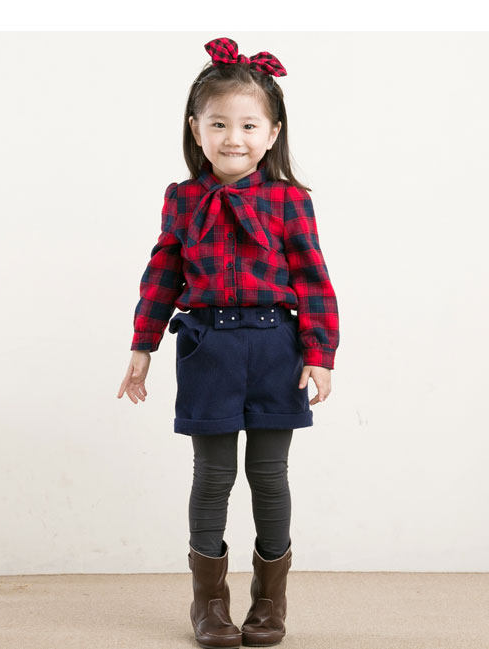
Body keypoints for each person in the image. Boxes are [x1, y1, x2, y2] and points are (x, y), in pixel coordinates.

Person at [117, 36, 339, 649]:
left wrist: (319, 353)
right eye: (218, 123)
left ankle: (269, 600)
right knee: (212, 476)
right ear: (196, 129)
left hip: (275, 349)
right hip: (207, 349)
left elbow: (314, 279)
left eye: (248, 125)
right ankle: (209, 603)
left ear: (272, 133)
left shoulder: (290, 201)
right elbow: (162, 274)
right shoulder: (182, 199)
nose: (232, 137)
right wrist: (142, 347)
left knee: (269, 476)